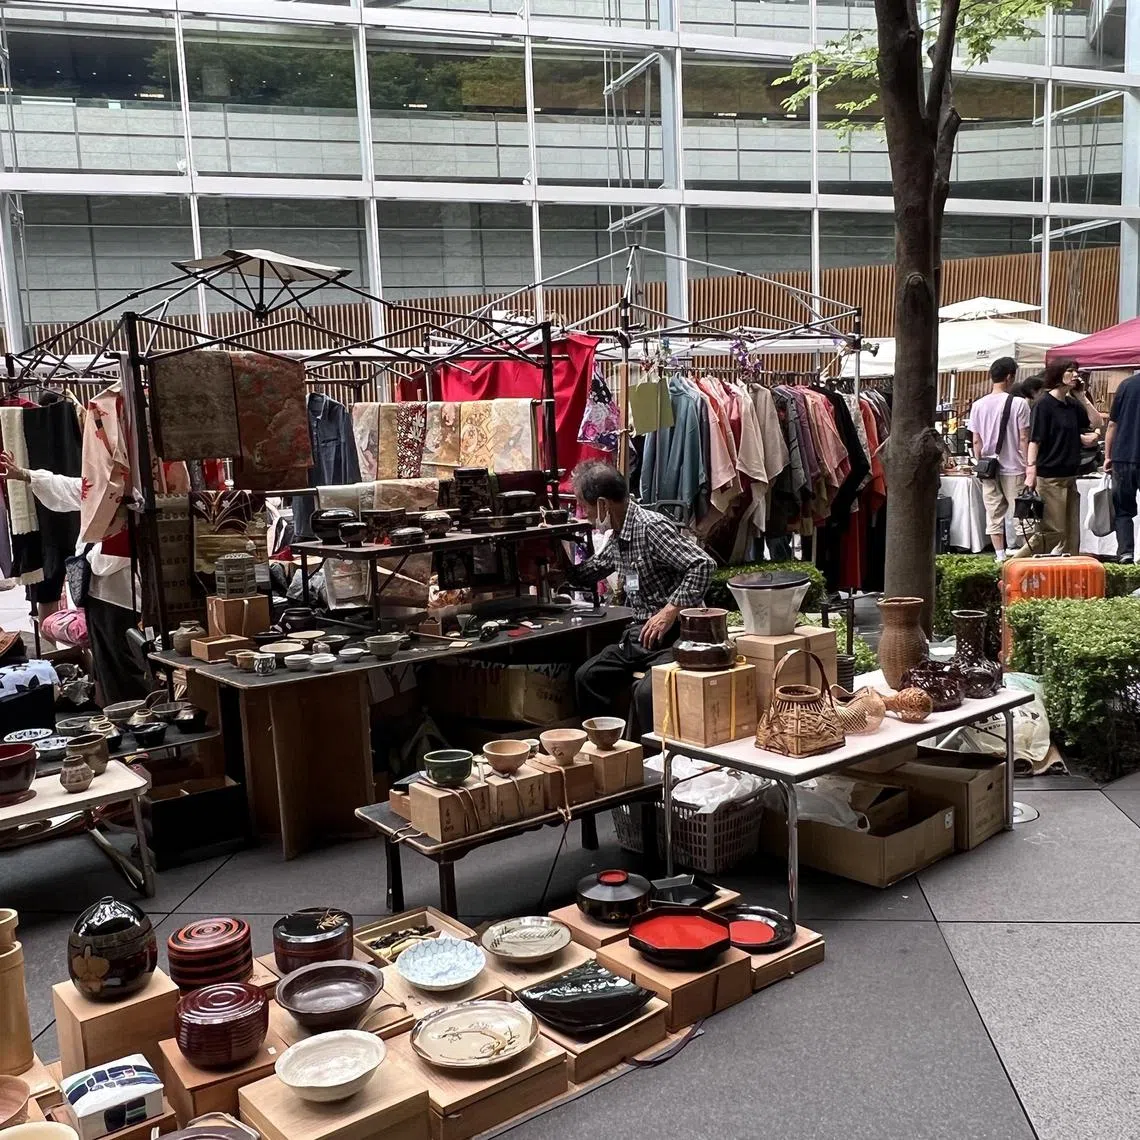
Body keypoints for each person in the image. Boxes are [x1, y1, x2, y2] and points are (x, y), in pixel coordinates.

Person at [566, 460, 715, 735]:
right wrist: (555, 559)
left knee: (647, 693)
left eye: (585, 508)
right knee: (587, 676)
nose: (585, 515)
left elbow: (702, 565)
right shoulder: (620, 535)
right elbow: (591, 571)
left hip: (676, 636)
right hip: (640, 637)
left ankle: (655, 765)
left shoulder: (650, 527)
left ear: (602, 504)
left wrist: (669, 611)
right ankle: (608, 750)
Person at [0, 452, 149, 704]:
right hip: (95, 590)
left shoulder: (138, 484)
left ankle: (140, 720)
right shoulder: (101, 483)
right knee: (107, 666)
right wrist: (24, 475)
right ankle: (120, 718)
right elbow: (74, 488)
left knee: (127, 664)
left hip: (123, 591)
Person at [1009, 358, 1103, 559]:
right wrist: (1030, 470)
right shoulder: (1044, 404)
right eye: (1071, 370)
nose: (1076, 375)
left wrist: (1082, 396)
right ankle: (1015, 565)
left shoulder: (1072, 404)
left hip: (1070, 476)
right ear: (1058, 374)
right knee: (1053, 530)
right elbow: (1035, 440)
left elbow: (1097, 422)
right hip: (1050, 476)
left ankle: (1069, 577)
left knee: (1071, 535)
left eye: (1076, 371)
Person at [968, 356, 1030, 561]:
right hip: (1015, 467)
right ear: (1010, 377)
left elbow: (976, 440)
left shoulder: (978, 405)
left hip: (989, 468)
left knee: (993, 513)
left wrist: (980, 462)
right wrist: (1029, 464)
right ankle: (1023, 556)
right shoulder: (1019, 403)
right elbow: (1023, 437)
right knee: (1021, 513)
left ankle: (999, 555)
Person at [1105, 369, 1140, 563]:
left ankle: (1126, 552)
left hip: (1122, 456)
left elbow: (1112, 424)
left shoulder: (1126, 385)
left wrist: (1107, 455)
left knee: (1123, 510)